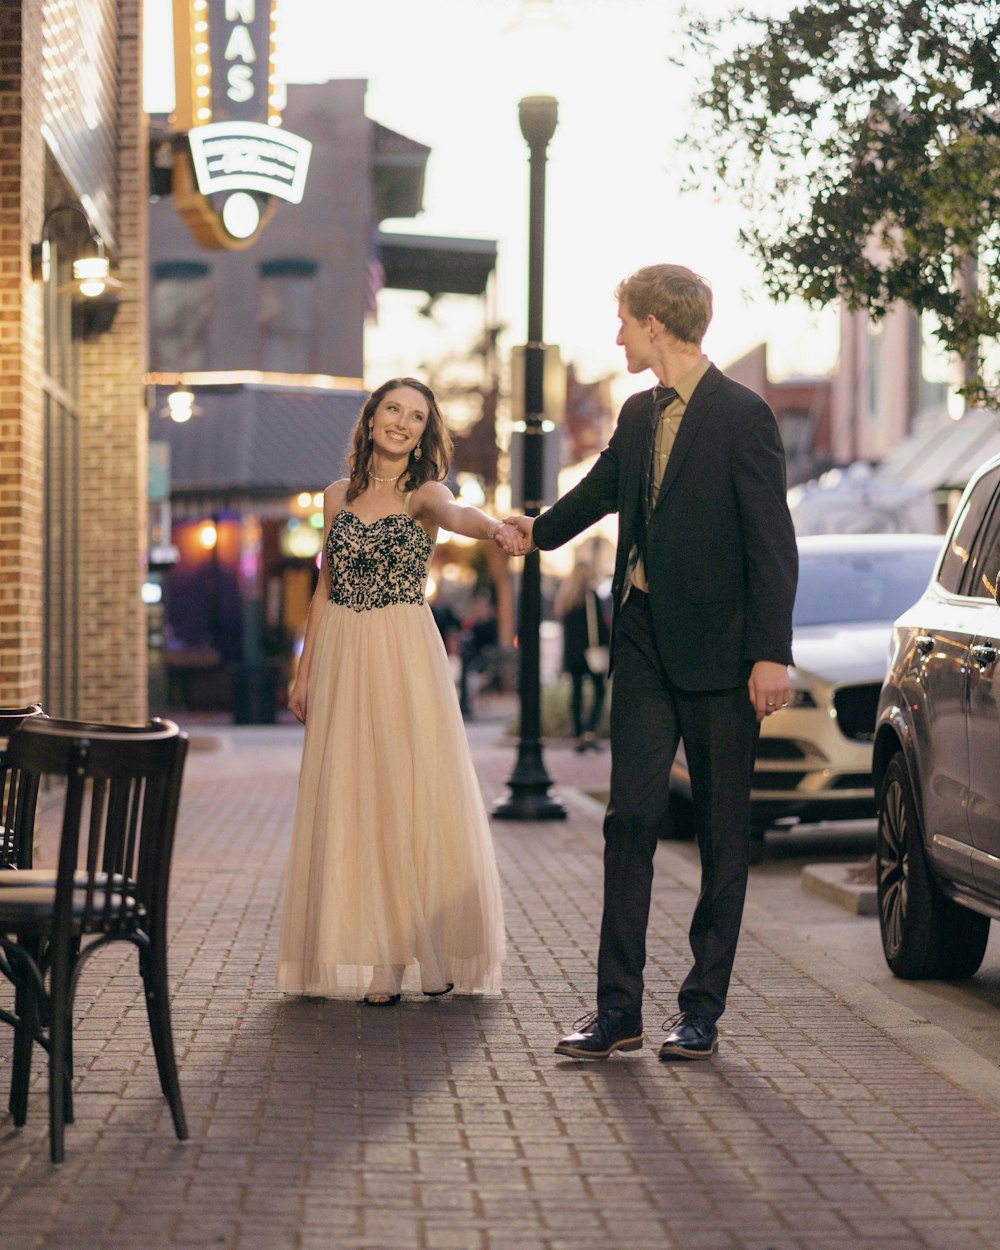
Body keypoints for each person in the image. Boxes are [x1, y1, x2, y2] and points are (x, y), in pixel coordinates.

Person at [505, 265, 797, 1060]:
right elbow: (599, 491)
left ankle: (701, 1009)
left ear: (656, 326)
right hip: (640, 647)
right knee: (628, 820)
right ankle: (618, 1010)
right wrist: (530, 531)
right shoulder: (636, 416)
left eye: (625, 322)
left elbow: (772, 542)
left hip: (722, 660)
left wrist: (771, 653)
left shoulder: (743, 416)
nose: (619, 336)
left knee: (720, 833)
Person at [277, 377, 527, 1005]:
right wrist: (305, 672)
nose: (402, 423)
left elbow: (459, 516)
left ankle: (424, 949)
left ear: (422, 433)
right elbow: (326, 587)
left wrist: (495, 528)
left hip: (402, 655)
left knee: (405, 793)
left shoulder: (426, 493)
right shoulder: (337, 497)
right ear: (371, 419)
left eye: (416, 417)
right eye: (393, 409)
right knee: (353, 797)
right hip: (342, 653)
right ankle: (377, 954)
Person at [553, 558, 609, 752]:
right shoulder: (590, 596)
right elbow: (599, 627)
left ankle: (578, 734)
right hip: (590, 653)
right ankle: (589, 731)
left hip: (572, 654)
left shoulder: (566, 598)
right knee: (599, 691)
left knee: (576, 694)